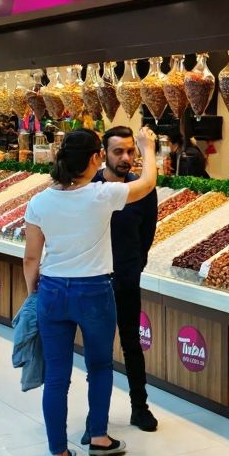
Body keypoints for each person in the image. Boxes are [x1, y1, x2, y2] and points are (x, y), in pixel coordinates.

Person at [22, 127, 157, 456]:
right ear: (96, 158)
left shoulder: (39, 202)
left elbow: (31, 259)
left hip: (52, 289)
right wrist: (148, 148)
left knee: (56, 377)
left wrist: (33, 293)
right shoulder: (102, 195)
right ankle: (98, 436)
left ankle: (57, 453)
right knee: (99, 366)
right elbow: (146, 184)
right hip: (95, 290)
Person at [86, 127, 159, 435]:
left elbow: (147, 233)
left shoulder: (142, 189)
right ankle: (96, 418)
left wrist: (134, 265)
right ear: (103, 154)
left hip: (127, 277)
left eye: (131, 151)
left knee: (132, 344)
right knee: (98, 349)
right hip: (94, 279)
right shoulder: (89, 187)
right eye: (119, 152)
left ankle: (139, 407)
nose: (126, 157)